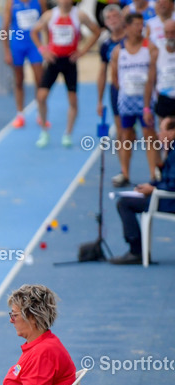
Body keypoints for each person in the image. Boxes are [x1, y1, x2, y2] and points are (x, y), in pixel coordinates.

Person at [31, 0, 102, 148]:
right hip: (53, 60)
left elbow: (96, 31)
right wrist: (43, 50)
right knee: (41, 97)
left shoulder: (79, 15)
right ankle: (44, 131)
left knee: (73, 100)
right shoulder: (50, 15)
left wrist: (83, 51)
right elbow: (34, 32)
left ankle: (68, 134)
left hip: (70, 61)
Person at [111, 114, 175, 263]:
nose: (158, 135)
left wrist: (153, 190)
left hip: (169, 201)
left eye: (162, 131)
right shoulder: (171, 150)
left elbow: (172, 184)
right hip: (165, 196)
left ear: (172, 133)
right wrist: (151, 185)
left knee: (124, 204)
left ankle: (136, 251)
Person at [111, 12, 159, 188]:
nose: (140, 28)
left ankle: (153, 173)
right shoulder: (119, 51)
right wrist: (126, 91)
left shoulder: (150, 48)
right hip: (126, 100)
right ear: (127, 27)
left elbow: (154, 75)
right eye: (137, 25)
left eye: (142, 24)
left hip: (146, 100)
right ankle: (124, 173)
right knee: (126, 135)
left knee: (149, 135)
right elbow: (114, 77)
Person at [3, 0, 44, 128]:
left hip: (34, 45)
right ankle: (20, 114)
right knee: (19, 80)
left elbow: (47, 22)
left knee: (40, 80)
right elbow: (5, 28)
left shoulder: (40, 1)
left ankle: (40, 113)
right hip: (17, 46)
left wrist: (48, 46)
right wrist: (7, 51)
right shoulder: (11, 3)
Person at [97, 4, 127, 152]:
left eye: (115, 16)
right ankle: (124, 165)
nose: (113, 20)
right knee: (121, 131)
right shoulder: (105, 44)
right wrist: (99, 101)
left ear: (122, 18)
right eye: (109, 18)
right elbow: (102, 72)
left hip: (137, 89)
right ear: (105, 22)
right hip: (116, 89)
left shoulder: (131, 38)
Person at [153, 19, 175, 118]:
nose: (170, 36)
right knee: (164, 127)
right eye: (167, 33)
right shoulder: (157, 52)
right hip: (164, 99)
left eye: (173, 32)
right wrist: (146, 108)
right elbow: (151, 80)